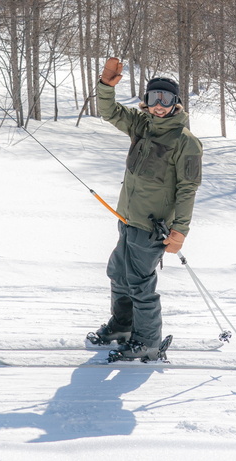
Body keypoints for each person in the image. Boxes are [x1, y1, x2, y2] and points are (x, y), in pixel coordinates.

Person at [89, 56, 203, 360]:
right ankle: (122, 327)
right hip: (126, 218)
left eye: (166, 98)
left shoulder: (185, 141)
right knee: (118, 273)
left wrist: (180, 229)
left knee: (139, 283)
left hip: (152, 226)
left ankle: (148, 342)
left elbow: (187, 189)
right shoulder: (141, 125)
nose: (159, 104)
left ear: (176, 103)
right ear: (147, 100)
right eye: (154, 97)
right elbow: (108, 111)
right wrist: (105, 87)